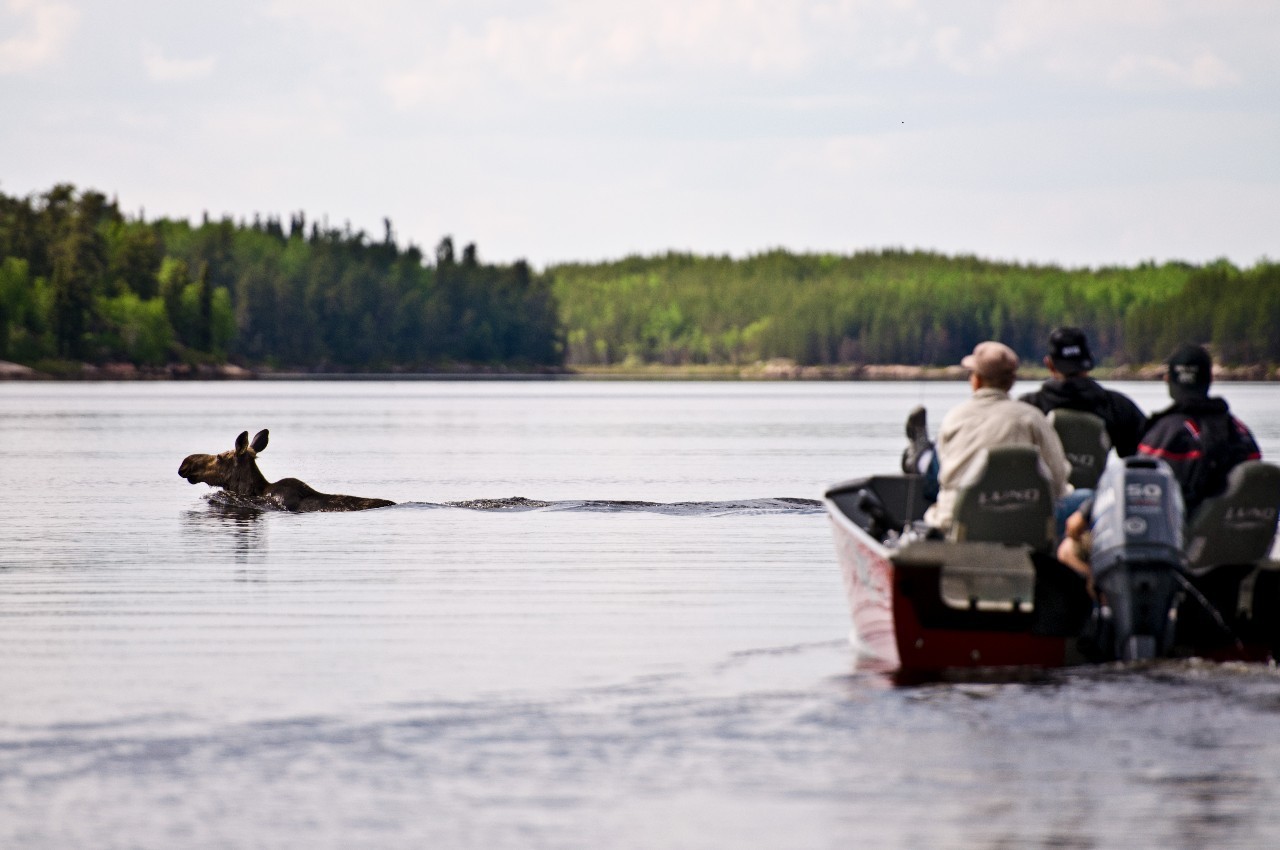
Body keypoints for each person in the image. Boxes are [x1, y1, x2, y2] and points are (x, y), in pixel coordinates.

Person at [922, 341, 1072, 532]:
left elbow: (943, 477)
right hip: (1021, 527)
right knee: (1083, 498)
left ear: (976, 380)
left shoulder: (953, 417)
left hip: (956, 525)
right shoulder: (1033, 418)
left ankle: (920, 457)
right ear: (1011, 382)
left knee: (935, 465)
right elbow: (1058, 483)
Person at [1137, 344, 1262, 515]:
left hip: (1185, 535)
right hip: (1240, 532)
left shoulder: (1165, 432)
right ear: (1210, 378)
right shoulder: (1240, 431)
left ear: (1168, 379)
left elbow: (1139, 487)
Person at [1019, 327, 1147, 457]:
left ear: (1050, 365)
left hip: (1047, 477)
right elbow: (1144, 459)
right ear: (1090, 360)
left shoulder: (1027, 406)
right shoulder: (1117, 406)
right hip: (1097, 477)